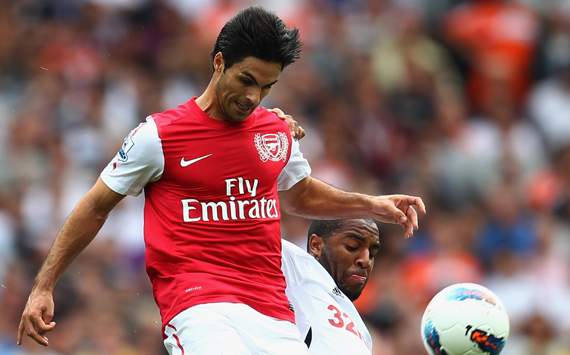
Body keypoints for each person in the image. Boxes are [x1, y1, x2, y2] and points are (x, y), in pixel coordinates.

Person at [17, 6, 425, 354]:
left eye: (267, 87)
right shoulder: (159, 136)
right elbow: (94, 207)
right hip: (199, 305)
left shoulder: (276, 132)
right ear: (219, 62)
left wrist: (372, 204)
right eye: (246, 80)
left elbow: (299, 195)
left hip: (272, 311)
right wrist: (43, 286)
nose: (253, 97)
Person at [282, 219, 380, 355]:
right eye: (352, 246)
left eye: (372, 253)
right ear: (316, 245)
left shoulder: (362, 332)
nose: (365, 260)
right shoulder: (296, 268)